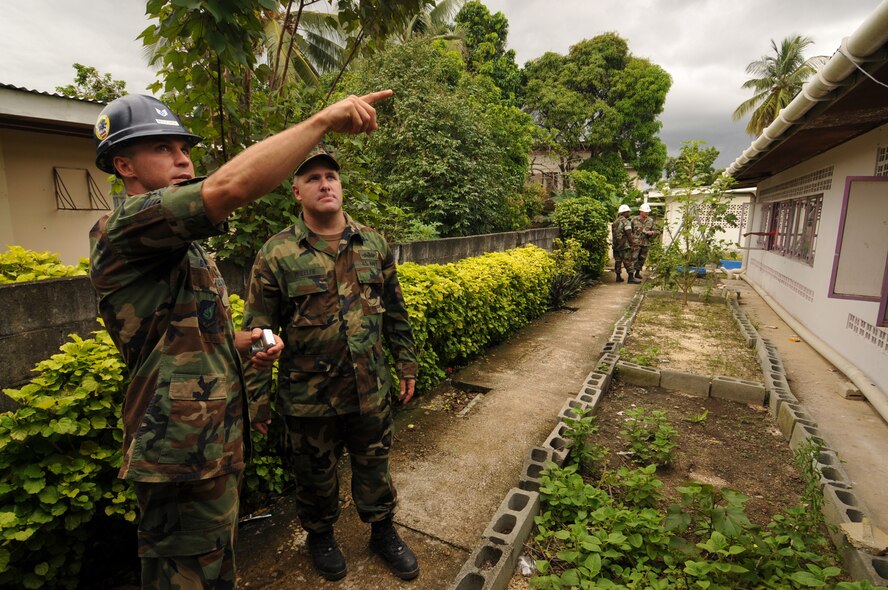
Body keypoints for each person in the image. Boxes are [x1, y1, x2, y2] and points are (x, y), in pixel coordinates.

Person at [88, 90, 391, 589]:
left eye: (184, 149)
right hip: (178, 456)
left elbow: (182, 341)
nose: (183, 160)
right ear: (124, 164)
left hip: (209, 449)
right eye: (163, 148)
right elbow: (230, 186)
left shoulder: (181, 250)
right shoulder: (125, 227)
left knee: (214, 574)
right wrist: (321, 120)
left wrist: (245, 341)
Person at [241, 148, 420, 582]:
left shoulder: (373, 243)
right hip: (309, 398)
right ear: (296, 191)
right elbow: (258, 331)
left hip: (369, 388)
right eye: (313, 178)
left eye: (331, 176)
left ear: (340, 185)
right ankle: (320, 535)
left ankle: (382, 530)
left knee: (375, 466)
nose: (325, 184)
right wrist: (257, 400)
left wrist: (407, 365)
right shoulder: (277, 253)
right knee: (314, 476)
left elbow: (395, 312)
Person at [611, 204, 639, 284]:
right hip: (624, 245)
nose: (629, 213)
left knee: (618, 261)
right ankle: (631, 278)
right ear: (625, 212)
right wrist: (632, 244)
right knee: (628, 261)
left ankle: (618, 277)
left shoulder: (615, 222)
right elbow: (628, 233)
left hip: (616, 245)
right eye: (628, 212)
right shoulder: (626, 221)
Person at [631, 202, 657, 279]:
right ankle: (631, 275)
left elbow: (655, 230)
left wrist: (652, 233)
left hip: (645, 243)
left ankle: (637, 272)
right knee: (633, 258)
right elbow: (630, 231)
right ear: (641, 211)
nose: (647, 213)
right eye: (645, 212)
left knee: (642, 259)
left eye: (648, 212)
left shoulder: (651, 220)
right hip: (636, 243)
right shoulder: (634, 219)